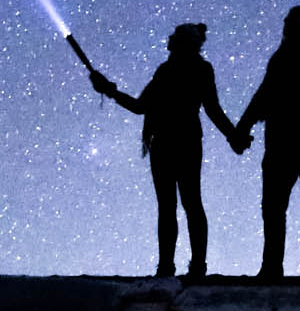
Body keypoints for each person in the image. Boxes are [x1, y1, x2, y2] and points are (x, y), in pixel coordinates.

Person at [89, 22, 240, 279]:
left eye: (175, 37)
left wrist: (232, 135)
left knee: (181, 204)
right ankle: (176, 266)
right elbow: (142, 106)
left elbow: (210, 108)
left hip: (177, 142)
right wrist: (110, 91)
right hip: (172, 142)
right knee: (178, 205)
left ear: (184, 42)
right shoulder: (170, 70)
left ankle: (183, 266)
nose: (169, 40)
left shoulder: (191, 69)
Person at [234, 4, 300, 279]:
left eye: (291, 18)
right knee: (275, 206)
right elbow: (264, 94)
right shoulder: (281, 56)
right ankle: (273, 266)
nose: (285, 22)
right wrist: (243, 126)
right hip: (281, 141)